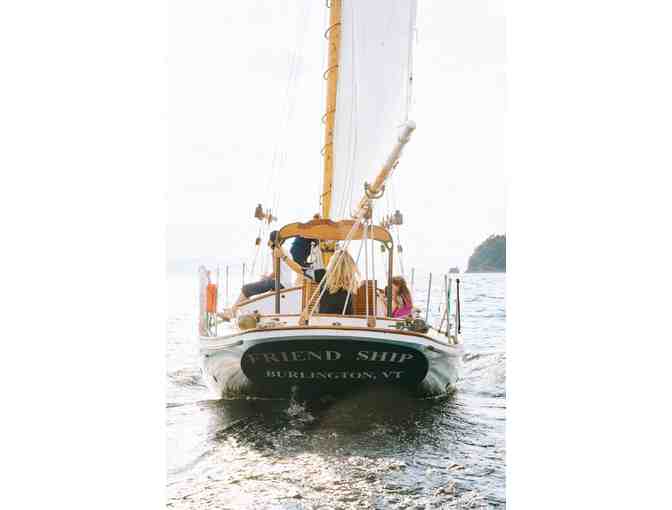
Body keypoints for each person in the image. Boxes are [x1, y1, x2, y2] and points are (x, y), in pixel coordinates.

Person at [219, 231, 301, 320]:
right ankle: (233, 310)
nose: (268, 243)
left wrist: (265, 278)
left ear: (272, 241)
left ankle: (232, 312)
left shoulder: (275, 251)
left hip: (279, 283)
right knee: (253, 289)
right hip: (286, 283)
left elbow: (275, 273)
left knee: (246, 288)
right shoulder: (286, 251)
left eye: (269, 240)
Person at [316, 250, 360, 315]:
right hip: (346, 322)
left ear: (332, 265)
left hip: (324, 321)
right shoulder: (350, 286)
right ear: (350, 267)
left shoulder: (324, 281)